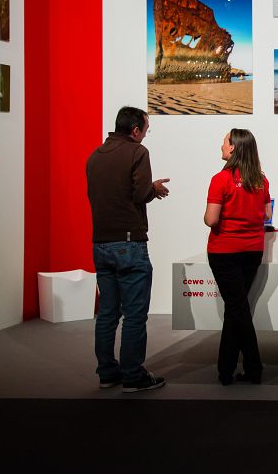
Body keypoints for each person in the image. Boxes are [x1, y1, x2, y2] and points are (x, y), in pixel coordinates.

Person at [86, 106, 169, 392]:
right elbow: (140, 193)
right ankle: (133, 376)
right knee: (135, 314)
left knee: (108, 312)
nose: (146, 135)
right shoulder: (137, 152)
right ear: (135, 130)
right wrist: (154, 188)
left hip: (101, 243)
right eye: (146, 129)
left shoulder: (95, 156)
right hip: (130, 242)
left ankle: (108, 373)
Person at [204, 128, 272, 386]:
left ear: (233, 148)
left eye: (224, 141)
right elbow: (266, 214)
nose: (221, 145)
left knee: (237, 308)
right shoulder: (261, 181)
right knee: (237, 308)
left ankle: (254, 367)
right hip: (252, 251)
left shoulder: (220, 179)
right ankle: (226, 369)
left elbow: (211, 219)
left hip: (224, 252)